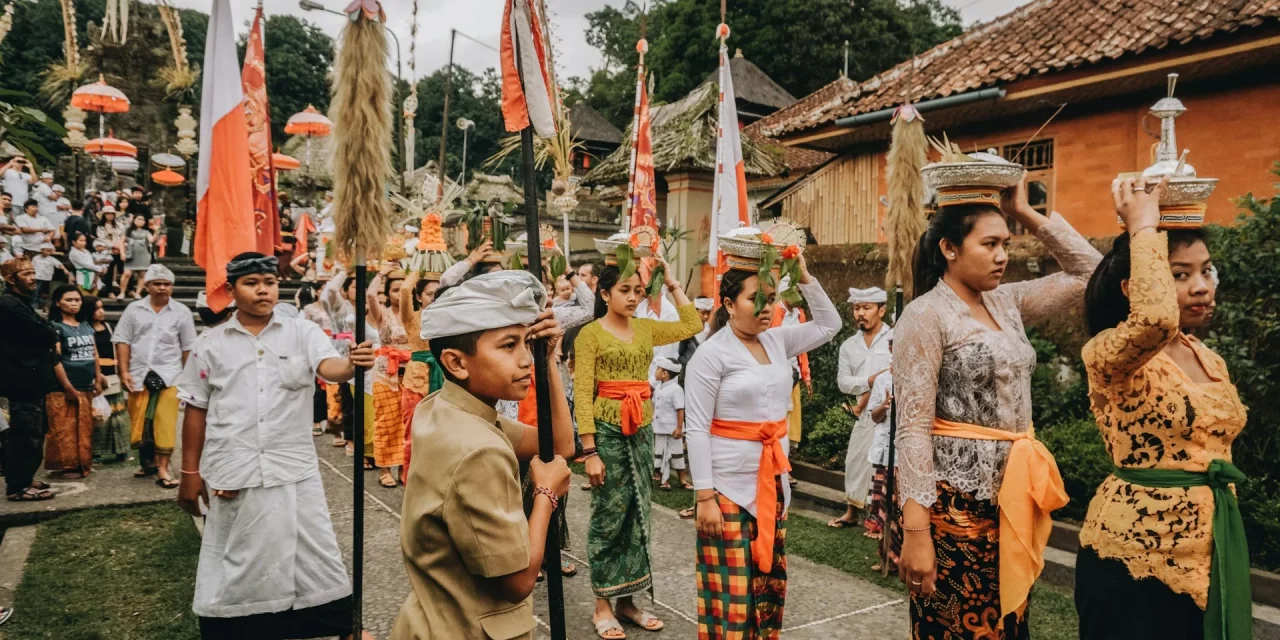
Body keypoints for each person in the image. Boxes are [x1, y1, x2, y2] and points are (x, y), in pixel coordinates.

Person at [894, 178, 1100, 638]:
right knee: (958, 628)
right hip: (953, 508)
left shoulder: (1007, 302)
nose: (1003, 255)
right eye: (989, 243)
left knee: (1011, 623)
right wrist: (916, 530)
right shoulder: (926, 316)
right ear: (949, 247)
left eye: (1006, 243)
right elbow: (911, 428)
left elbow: (1092, 274)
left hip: (1013, 497)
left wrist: (1027, 213)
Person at [1075, 177, 1250, 640]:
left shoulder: (1206, 357)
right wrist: (1143, 226)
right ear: (1137, 284)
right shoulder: (1110, 357)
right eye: (1179, 274)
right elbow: (1155, 319)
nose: (1200, 287)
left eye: (1205, 271)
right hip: (1131, 562)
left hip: (1210, 551)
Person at [175, 252, 376, 640]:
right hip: (234, 466)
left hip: (292, 465)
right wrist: (189, 473)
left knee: (313, 550)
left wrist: (352, 366)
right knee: (237, 555)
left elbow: (329, 368)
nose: (262, 289)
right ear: (231, 290)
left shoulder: (301, 331)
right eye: (251, 283)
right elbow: (195, 409)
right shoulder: (210, 344)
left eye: (269, 281)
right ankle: (232, 629)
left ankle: (340, 626)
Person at [393, 270, 575, 640]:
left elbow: (558, 444)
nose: (525, 359)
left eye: (527, 343)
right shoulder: (479, 450)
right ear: (456, 362)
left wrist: (549, 360)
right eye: (508, 346)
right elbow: (520, 581)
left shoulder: (445, 407)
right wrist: (546, 495)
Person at [684, 236, 839, 639]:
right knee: (731, 595)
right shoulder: (712, 354)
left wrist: (803, 276)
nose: (767, 307)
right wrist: (705, 498)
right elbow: (697, 427)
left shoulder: (777, 340)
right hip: (728, 489)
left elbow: (829, 325)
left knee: (769, 588)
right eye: (756, 298)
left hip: (773, 482)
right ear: (730, 303)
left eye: (771, 297)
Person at [575, 250, 701, 637]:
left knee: (638, 513)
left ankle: (628, 602)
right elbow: (582, 392)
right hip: (608, 429)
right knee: (609, 514)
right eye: (624, 290)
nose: (633, 297)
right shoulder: (590, 334)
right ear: (604, 293)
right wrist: (590, 451)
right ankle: (602, 605)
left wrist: (672, 280)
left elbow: (691, 322)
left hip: (641, 428)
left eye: (638, 290)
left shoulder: (645, 328)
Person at [113, 263, 196, 488]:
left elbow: (188, 346)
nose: (162, 288)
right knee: (140, 423)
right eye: (157, 284)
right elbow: (122, 340)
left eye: (166, 284)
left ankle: (163, 469)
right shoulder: (134, 310)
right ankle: (147, 462)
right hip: (138, 374)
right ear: (147, 286)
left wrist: (189, 378)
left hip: (170, 375)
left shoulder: (182, 312)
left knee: (164, 422)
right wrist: (124, 371)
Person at [827, 287, 892, 529]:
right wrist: (870, 381)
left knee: (885, 464)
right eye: (857, 308)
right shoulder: (848, 346)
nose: (860, 314)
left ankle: (883, 520)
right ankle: (852, 512)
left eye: (867, 308)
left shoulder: (894, 338)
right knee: (856, 460)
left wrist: (874, 385)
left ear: (881, 310)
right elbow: (843, 383)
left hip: (890, 412)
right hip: (865, 415)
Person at [1, 256, 61, 501]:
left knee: (35, 431)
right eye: (26, 274)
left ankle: (25, 477)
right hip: (21, 378)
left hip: (31, 377)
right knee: (25, 433)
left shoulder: (21, 301)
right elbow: (43, 331)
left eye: (32, 273)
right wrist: (50, 333)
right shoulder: (9, 304)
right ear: (11, 279)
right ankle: (17, 486)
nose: (33, 278)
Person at [44, 285, 99, 479]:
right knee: (63, 428)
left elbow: (94, 353)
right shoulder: (55, 327)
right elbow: (55, 359)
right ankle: (67, 466)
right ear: (58, 302)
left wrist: (98, 377)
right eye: (69, 300)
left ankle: (82, 463)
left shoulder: (85, 325)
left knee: (84, 427)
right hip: (64, 386)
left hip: (86, 384)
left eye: (77, 300)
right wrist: (67, 386)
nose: (74, 304)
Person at [367, 265, 409, 488]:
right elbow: (370, 294)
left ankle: (404, 467)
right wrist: (381, 274)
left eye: (403, 290)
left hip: (411, 375)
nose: (399, 295)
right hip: (386, 375)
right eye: (395, 290)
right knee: (385, 423)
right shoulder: (381, 314)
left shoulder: (413, 314)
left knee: (407, 424)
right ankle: (384, 468)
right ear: (388, 293)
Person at [863, 342, 900, 571]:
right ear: (890, 347)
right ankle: (886, 556)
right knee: (886, 510)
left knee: (901, 510)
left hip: (905, 455)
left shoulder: (918, 376)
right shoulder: (883, 380)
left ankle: (901, 558)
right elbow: (874, 417)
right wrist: (884, 406)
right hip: (885, 451)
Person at [82, 295, 131, 463]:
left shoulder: (109, 327)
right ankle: (97, 451)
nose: (101, 312)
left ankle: (121, 450)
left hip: (113, 375)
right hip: (96, 376)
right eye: (96, 309)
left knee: (118, 416)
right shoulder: (84, 329)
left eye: (102, 307)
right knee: (100, 415)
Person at [770, 276, 813, 459]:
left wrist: (806, 375)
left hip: (793, 373)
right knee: (776, 418)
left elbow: (803, 346)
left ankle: (785, 466)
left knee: (789, 421)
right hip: (775, 372)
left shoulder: (800, 314)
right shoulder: (773, 312)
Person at [650, 356, 690, 490]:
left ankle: (683, 480)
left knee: (676, 453)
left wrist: (679, 428)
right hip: (660, 428)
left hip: (673, 430)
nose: (655, 372)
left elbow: (680, 409)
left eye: (657, 369)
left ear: (665, 373)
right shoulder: (658, 388)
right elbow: (655, 406)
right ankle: (663, 479)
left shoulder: (676, 389)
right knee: (660, 452)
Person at [119, 213, 154, 299]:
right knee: (127, 273)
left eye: (143, 220)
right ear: (134, 220)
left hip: (143, 254)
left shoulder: (146, 232)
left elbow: (152, 240)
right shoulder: (128, 230)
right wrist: (122, 252)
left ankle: (138, 293)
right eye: (139, 219)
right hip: (131, 253)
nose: (141, 221)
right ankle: (122, 292)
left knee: (142, 274)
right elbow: (121, 241)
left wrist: (157, 231)